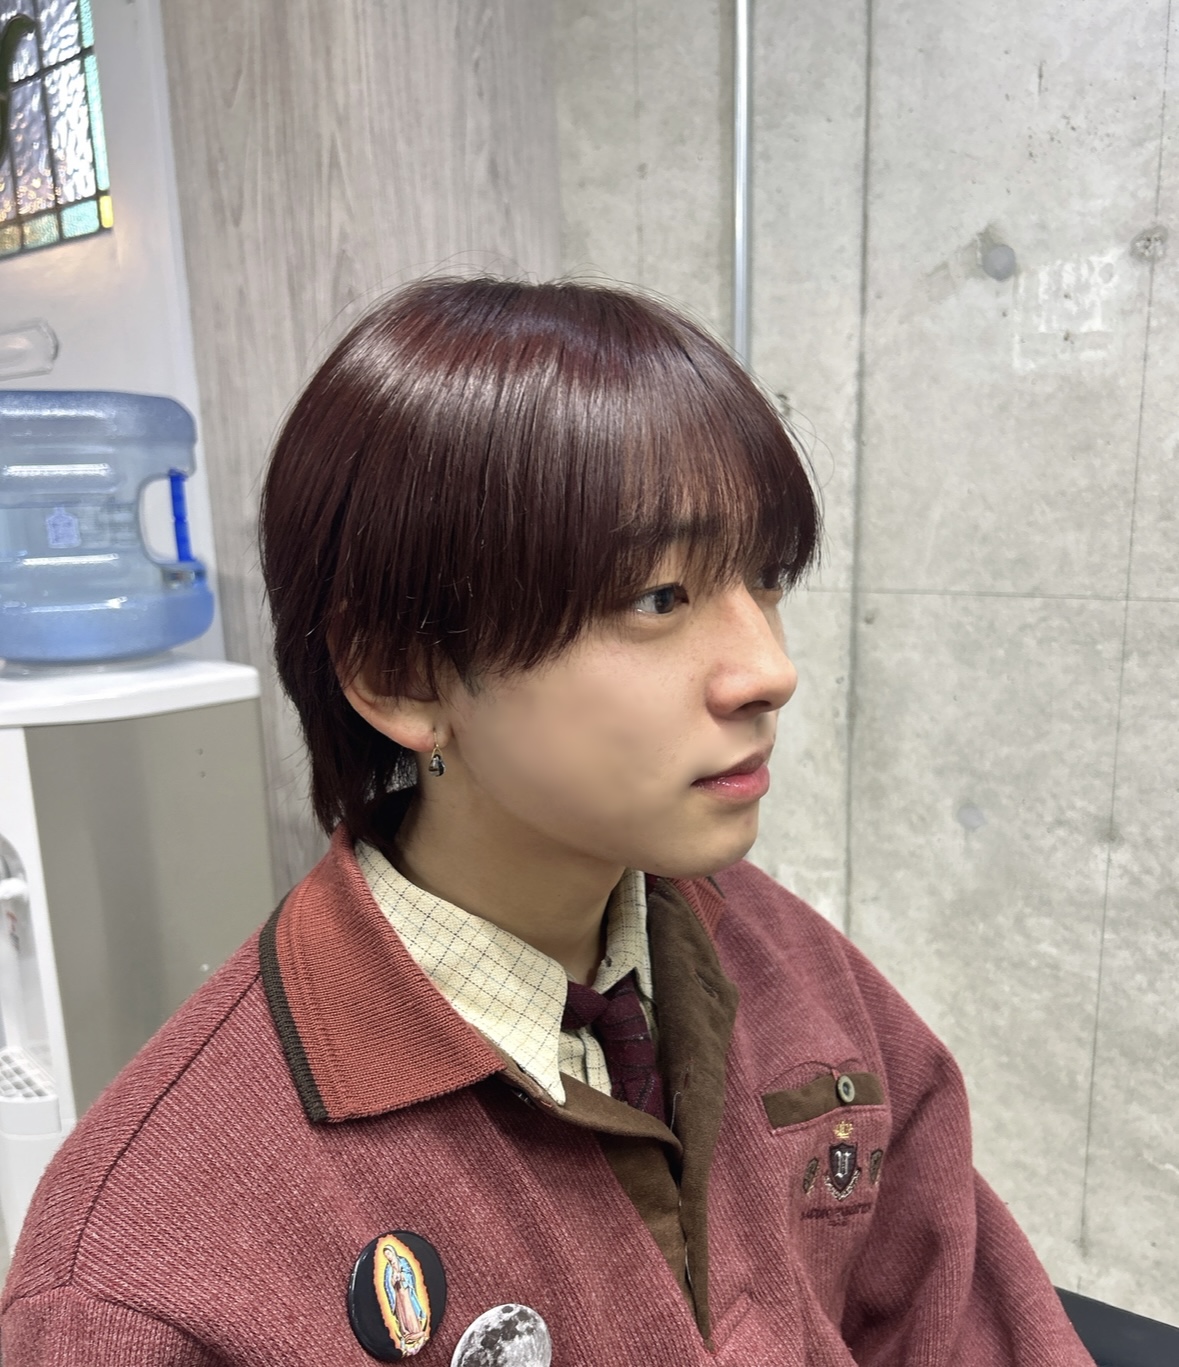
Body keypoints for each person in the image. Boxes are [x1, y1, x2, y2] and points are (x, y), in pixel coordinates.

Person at [0, 278, 1094, 1365]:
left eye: (763, 578)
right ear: (400, 672)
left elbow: (961, 1310)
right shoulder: (139, 1275)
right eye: (658, 596)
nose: (770, 668)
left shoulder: (785, 960)